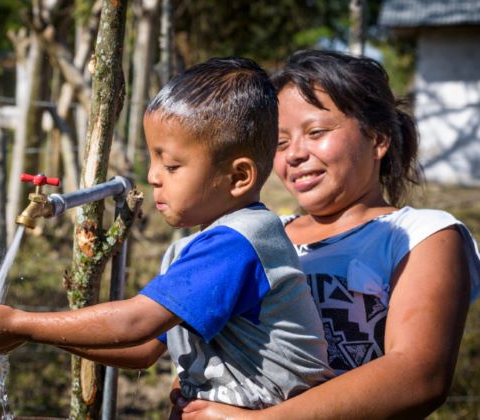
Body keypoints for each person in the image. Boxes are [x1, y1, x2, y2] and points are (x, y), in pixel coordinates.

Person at [0, 57, 334, 410]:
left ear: (237, 177)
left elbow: (135, 324)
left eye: (171, 165)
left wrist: (23, 322)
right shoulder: (202, 248)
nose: (152, 176)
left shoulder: (238, 244)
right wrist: (38, 335)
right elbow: (145, 349)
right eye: (153, 160)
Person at [172, 49, 480, 419]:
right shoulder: (256, 235)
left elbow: (419, 375)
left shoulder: (422, 234)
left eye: (316, 132)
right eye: (281, 143)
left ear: (378, 138)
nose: (295, 154)